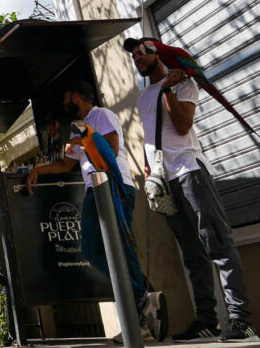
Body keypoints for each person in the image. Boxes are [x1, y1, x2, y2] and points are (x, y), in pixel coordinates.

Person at [126, 37, 256, 342]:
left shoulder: (184, 86)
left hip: (190, 173)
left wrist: (169, 88)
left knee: (218, 245)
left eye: (142, 52)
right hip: (164, 183)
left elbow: (183, 127)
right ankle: (207, 320)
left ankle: (240, 319)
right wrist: (148, 172)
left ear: (158, 54)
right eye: (133, 56)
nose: (137, 58)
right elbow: (151, 137)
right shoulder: (143, 97)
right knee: (192, 253)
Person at [26, 81, 167, 341]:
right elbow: (65, 165)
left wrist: (84, 142)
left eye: (66, 96)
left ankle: (140, 312)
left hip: (113, 185)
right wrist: (37, 170)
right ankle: (143, 299)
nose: (64, 103)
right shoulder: (78, 130)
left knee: (122, 246)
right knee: (92, 249)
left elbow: (110, 152)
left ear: (77, 95)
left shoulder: (100, 116)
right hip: (95, 191)